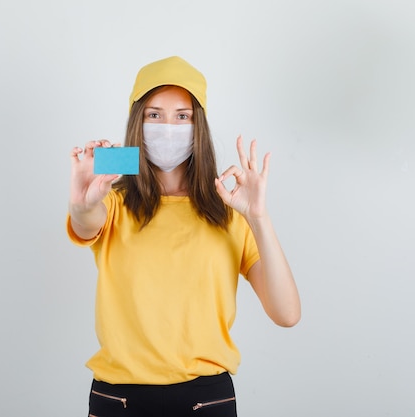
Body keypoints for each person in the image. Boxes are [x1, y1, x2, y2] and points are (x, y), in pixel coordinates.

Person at [67, 56, 301, 417]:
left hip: (205, 399)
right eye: (154, 115)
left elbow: (287, 314)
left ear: (198, 126)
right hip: (119, 400)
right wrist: (82, 203)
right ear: (137, 123)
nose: (168, 126)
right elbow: (86, 221)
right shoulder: (113, 203)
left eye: (182, 116)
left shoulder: (228, 213)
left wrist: (259, 217)